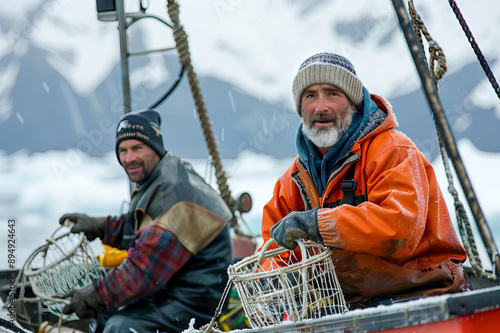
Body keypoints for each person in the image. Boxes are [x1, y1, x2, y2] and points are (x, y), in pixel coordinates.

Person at [262, 52, 468, 309]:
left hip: (425, 295)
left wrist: (319, 224)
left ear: (353, 103)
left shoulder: (394, 151)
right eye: (310, 95)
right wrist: (275, 286)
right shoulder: (290, 182)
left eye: (332, 94)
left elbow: (399, 229)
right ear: (300, 107)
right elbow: (273, 254)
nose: (320, 107)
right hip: (350, 308)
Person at [60, 109, 233, 332]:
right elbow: (141, 227)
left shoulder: (171, 191)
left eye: (137, 148)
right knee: (105, 312)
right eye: (122, 150)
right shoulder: (163, 175)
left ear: (155, 147)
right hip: (172, 290)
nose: (129, 158)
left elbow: (143, 271)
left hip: (196, 305)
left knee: (120, 327)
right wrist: (99, 226)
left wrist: (94, 295)